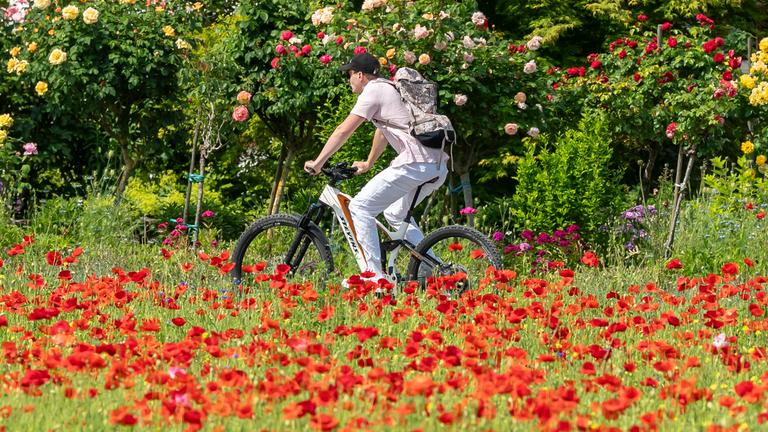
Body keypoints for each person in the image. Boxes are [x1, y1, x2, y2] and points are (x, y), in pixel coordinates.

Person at [304, 52, 449, 285]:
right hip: (436, 164)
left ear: (360, 75)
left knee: (360, 208)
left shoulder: (372, 91)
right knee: (394, 213)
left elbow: (344, 130)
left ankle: (373, 279)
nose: (348, 80)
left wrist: (318, 162)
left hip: (415, 163)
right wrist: (369, 162)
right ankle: (432, 270)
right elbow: (383, 129)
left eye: (349, 75)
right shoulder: (390, 89)